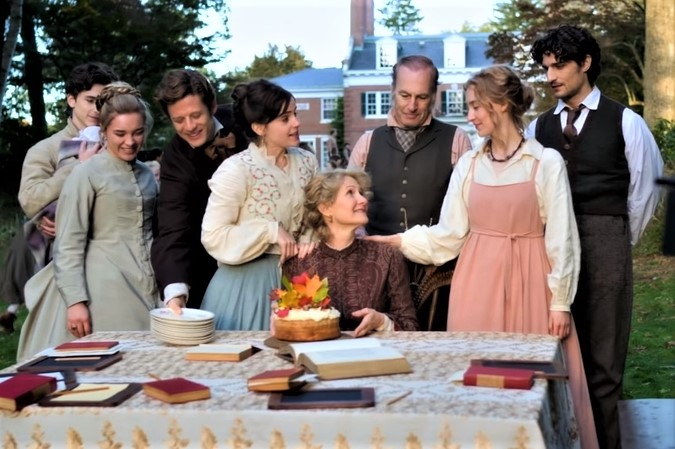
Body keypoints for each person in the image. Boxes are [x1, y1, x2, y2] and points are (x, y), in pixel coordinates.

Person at [369, 65, 598, 449]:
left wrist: (560, 302)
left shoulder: (544, 163)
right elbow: (449, 236)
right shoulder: (470, 164)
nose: (470, 115)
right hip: (475, 287)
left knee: (529, 387)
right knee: (474, 386)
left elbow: (563, 239)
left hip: (530, 286)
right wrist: (396, 241)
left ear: (501, 104)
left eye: (476, 106)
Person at [527, 25, 664, 449]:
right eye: (546, 67)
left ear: (586, 63)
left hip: (606, 244)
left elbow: (646, 190)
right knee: (555, 356)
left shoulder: (626, 121)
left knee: (604, 363)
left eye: (559, 65)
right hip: (551, 250)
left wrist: (614, 237)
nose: (550, 76)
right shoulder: (537, 129)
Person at [17, 82, 160, 360]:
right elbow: (69, 242)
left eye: (137, 132)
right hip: (101, 285)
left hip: (147, 280)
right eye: (120, 133)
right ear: (103, 131)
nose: (130, 142)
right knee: (112, 361)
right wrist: (76, 302)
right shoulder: (86, 173)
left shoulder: (146, 174)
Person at [348, 55, 472, 331]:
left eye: (422, 97)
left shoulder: (457, 140)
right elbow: (347, 208)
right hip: (376, 273)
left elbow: (467, 215)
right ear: (392, 89)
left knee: (437, 347)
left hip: (437, 276)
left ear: (434, 95)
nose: (412, 105)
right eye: (405, 95)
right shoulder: (367, 143)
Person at [0, 62, 119, 333]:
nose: (97, 109)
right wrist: (78, 166)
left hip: (111, 251)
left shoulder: (120, 141)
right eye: (90, 100)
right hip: (59, 257)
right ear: (71, 99)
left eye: (103, 102)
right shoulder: (46, 149)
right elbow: (30, 200)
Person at [200, 79, 318, 331]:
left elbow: (319, 214)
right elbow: (213, 235)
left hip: (299, 285)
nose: (296, 123)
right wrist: (269, 231)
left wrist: (311, 235)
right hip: (244, 291)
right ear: (259, 127)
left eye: (295, 114)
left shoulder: (308, 162)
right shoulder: (236, 170)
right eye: (285, 118)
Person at [151, 69, 247, 313]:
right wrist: (175, 292)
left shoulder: (245, 120)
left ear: (212, 106)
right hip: (208, 269)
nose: (190, 126)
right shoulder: (174, 158)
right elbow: (173, 226)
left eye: (196, 115)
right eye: (179, 120)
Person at [283, 169, 419, 336]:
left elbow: (410, 328)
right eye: (350, 193)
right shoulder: (298, 262)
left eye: (361, 193)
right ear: (326, 208)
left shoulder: (387, 256)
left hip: (374, 351)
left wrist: (381, 321)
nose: (363, 200)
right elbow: (287, 327)